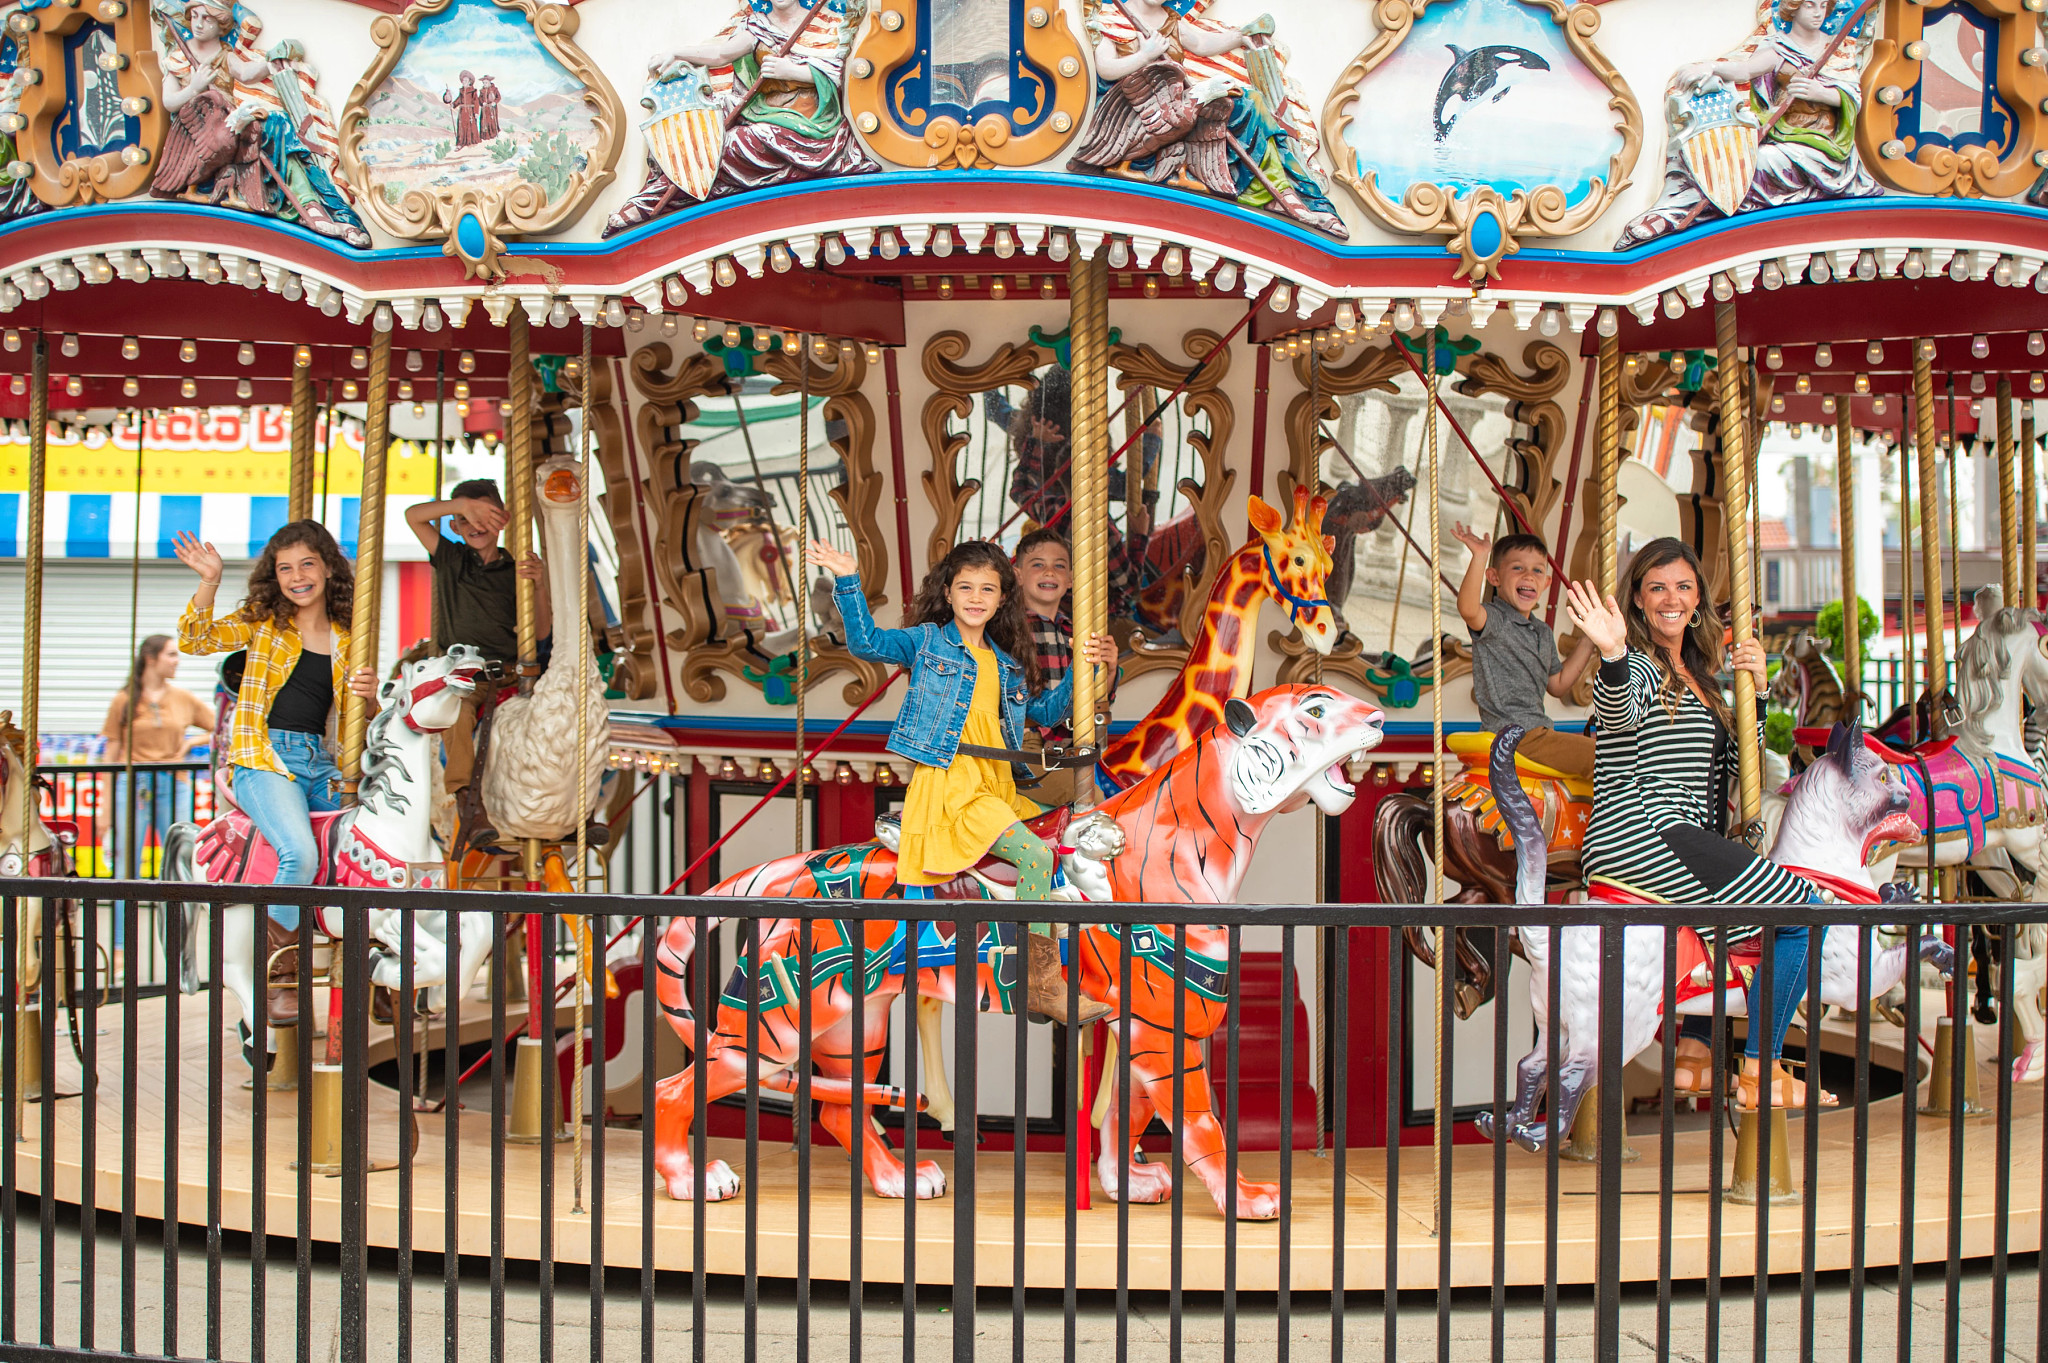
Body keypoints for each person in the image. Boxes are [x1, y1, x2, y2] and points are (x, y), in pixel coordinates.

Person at [1565, 538, 1832, 1109]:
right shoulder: (1637, 667)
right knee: (1806, 908)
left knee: (1748, 912)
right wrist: (1611, 654)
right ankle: (1763, 1067)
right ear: (1637, 600)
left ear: (1698, 600)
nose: (1671, 598)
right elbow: (1616, 718)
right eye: (1657, 587)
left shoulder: (1704, 678)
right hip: (1643, 833)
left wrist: (1756, 696)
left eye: (1683, 587)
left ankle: (1695, 1052)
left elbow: (1742, 768)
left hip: (1684, 835)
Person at [812, 536, 1116, 1026]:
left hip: (997, 784)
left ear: (1001, 600)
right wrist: (849, 578)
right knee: (1037, 855)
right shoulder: (927, 640)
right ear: (948, 593)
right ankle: (1040, 983)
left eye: (988, 589)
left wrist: (1088, 670)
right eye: (966, 587)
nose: (977, 597)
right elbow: (867, 642)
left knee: (1063, 850)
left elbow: (1042, 713)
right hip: (952, 782)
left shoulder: (1007, 662)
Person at [174, 522, 377, 1026]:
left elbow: (363, 720)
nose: (296, 577)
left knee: (371, 850)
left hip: (317, 761)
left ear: (328, 567)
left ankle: (379, 966)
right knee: (299, 852)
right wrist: (210, 580)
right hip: (262, 757)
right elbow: (195, 639)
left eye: (307, 564)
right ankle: (280, 973)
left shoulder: (350, 637)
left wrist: (371, 696)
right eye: (285, 568)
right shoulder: (263, 622)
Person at [404, 479, 551, 794]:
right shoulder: (451, 558)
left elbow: (540, 632)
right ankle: (463, 795)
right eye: (465, 520)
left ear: (503, 520)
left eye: (485, 516)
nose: (475, 525)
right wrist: (460, 506)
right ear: (455, 527)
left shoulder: (517, 571)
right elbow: (413, 515)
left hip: (512, 674)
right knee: (457, 712)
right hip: (463, 675)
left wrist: (539, 586)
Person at [99, 635, 215, 972]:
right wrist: (105, 809)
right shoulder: (124, 700)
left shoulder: (183, 699)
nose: (177, 661)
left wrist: (192, 740)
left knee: (178, 864)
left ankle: (179, 948)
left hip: (173, 784)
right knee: (126, 868)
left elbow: (221, 726)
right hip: (132, 785)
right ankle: (121, 947)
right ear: (151, 659)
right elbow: (110, 753)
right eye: (171, 654)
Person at [1451, 525, 1596, 777]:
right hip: (1516, 734)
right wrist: (1480, 555)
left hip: (1537, 732)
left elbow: (1558, 685)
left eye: (1537, 571)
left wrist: (1589, 639)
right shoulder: (1496, 620)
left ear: (1546, 582)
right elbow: (1468, 609)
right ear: (1494, 577)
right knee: (1608, 757)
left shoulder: (1542, 632)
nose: (1529, 576)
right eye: (1518, 568)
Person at [1012, 528, 1120, 807]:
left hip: (1066, 749)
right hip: (1024, 747)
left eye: (1059, 566)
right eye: (1038, 565)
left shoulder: (1076, 631)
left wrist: (1108, 672)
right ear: (1018, 575)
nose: (1049, 572)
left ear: (1071, 579)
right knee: (1093, 799)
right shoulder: (1009, 629)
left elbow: (1095, 703)